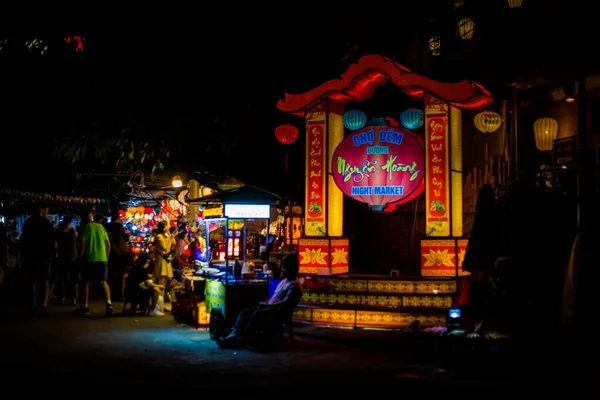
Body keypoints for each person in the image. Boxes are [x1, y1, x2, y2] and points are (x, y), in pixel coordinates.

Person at [217, 255, 303, 348]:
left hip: (276, 312)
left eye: (284, 268)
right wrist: (266, 303)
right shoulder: (285, 281)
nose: (282, 270)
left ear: (291, 269)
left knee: (255, 315)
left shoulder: (294, 285)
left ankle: (239, 340)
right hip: (270, 308)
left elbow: (285, 303)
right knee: (244, 312)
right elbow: (275, 297)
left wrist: (268, 306)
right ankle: (233, 335)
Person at [20, 202, 55, 315]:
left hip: (31, 255)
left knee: (32, 281)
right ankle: (44, 306)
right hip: (44, 255)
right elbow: (52, 241)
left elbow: (23, 240)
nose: (48, 211)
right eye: (47, 209)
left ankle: (33, 305)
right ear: (42, 210)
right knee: (45, 281)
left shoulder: (28, 223)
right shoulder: (46, 223)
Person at [77, 214, 112, 317]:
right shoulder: (102, 228)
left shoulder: (86, 228)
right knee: (103, 282)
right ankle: (109, 304)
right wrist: (106, 257)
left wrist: (79, 259)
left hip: (89, 258)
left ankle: (85, 306)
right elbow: (108, 245)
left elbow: (82, 246)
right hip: (102, 258)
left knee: (86, 282)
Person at [53, 216, 79, 305]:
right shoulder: (74, 233)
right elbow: (77, 245)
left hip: (63, 258)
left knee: (62, 279)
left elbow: (55, 246)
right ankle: (73, 298)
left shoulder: (58, 233)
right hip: (73, 258)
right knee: (73, 280)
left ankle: (62, 298)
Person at [106, 210, 131, 301]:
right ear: (118, 217)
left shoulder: (107, 226)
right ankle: (118, 295)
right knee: (119, 275)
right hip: (119, 254)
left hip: (109, 253)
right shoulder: (119, 226)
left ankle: (109, 293)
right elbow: (126, 238)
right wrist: (128, 235)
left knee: (111, 274)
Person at [153, 221, 174, 296]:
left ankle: (160, 301)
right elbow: (165, 248)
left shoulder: (165, 236)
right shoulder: (159, 236)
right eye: (166, 226)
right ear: (163, 228)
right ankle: (158, 300)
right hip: (162, 260)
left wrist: (170, 237)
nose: (167, 227)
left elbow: (173, 243)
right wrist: (169, 239)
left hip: (166, 260)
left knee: (164, 283)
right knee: (161, 283)